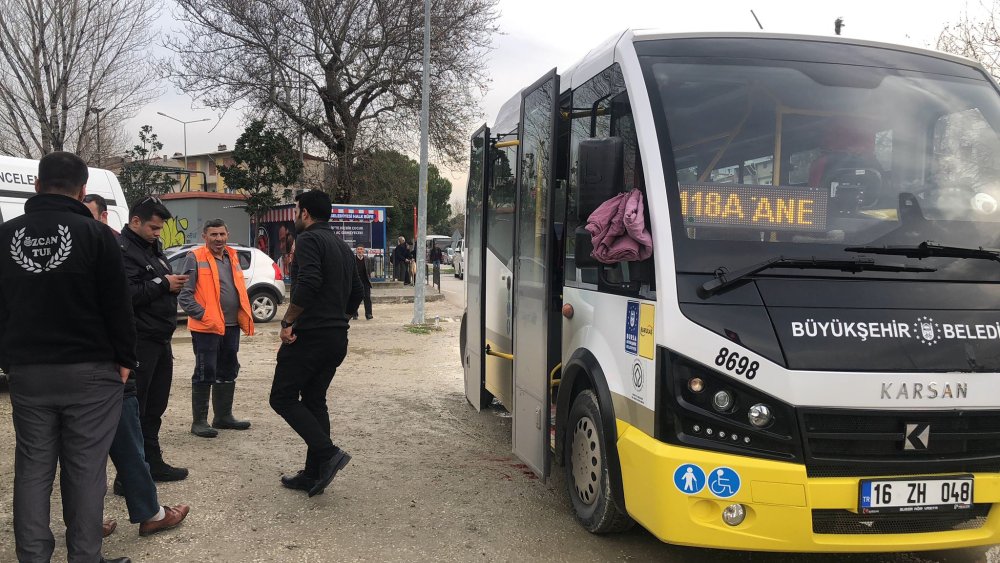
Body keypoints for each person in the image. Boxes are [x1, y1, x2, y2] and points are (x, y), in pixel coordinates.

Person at [0, 151, 136, 563]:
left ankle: (34, 556)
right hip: (91, 373)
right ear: (81, 192)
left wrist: (10, 359)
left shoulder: (5, 237)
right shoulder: (98, 236)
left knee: (34, 468)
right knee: (85, 471)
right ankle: (84, 557)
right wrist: (126, 357)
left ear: (37, 186)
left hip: (27, 372)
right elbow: (118, 304)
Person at [270, 190, 363, 497]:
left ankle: (328, 454)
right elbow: (358, 292)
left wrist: (287, 322)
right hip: (336, 338)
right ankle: (314, 473)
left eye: (297, 210)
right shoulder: (342, 246)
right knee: (313, 400)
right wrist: (341, 319)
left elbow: (309, 282)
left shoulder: (308, 240)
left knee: (281, 398)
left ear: (305, 213)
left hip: (310, 336)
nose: (295, 216)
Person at [120, 197, 190, 482]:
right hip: (140, 340)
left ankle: (153, 462)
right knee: (137, 408)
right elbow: (127, 294)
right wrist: (164, 284)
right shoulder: (123, 250)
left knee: (155, 406)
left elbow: (151, 286)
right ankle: (128, 476)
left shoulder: (152, 248)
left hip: (160, 339)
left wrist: (169, 285)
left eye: (160, 229)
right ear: (135, 221)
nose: (158, 233)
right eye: (153, 228)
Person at [178, 219, 255, 438]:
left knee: (228, 369)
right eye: (213, 235)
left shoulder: (233, 256)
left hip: (231, 326)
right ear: (204, 236)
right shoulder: (194, 257)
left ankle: (223, 417)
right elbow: (185, 295)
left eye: (221, 234)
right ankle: (199, 422)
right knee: (205, 372)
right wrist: (205, 316)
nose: (218, 239)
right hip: (207, 327)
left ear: (227, 234)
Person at [352, 245, 373, 320]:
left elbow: (369, 270)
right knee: (354, 297)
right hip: (356, 281)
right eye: (358, 249)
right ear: (356, 251)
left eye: (361, 249)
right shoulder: (353, 259)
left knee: (367, 298)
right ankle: (354, 314)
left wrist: (369, 279)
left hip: (365, 281)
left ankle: (368, 314)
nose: (360, 251)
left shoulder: (367, 259)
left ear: (364, 250)